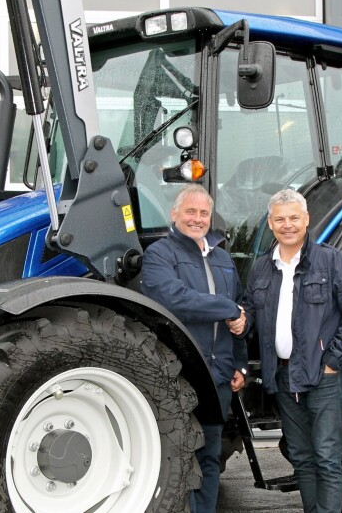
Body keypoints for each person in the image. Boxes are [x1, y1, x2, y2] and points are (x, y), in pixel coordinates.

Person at [242, 189, 342, 512]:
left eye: (294, 218)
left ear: (306, 219)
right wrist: (240, 321)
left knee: (327, 457)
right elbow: (251, 315)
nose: (287, 225)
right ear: (270, 223)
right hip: (284, 377)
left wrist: (334, 360)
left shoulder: (330, 261)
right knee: (301, 457)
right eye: (280, 219)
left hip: (322, 377)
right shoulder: (261, 269)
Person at [140, 184, 247, 513]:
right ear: (174, 214)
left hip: (219, 376)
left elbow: (241, 312)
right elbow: (174, 299)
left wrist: (240, 364)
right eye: (190, 211)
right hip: (181, 373)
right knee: (179, 457)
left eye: (203, 213)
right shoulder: (159, 254)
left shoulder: (223, 259)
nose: (197, 219)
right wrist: (229, 309)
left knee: (210, 456)